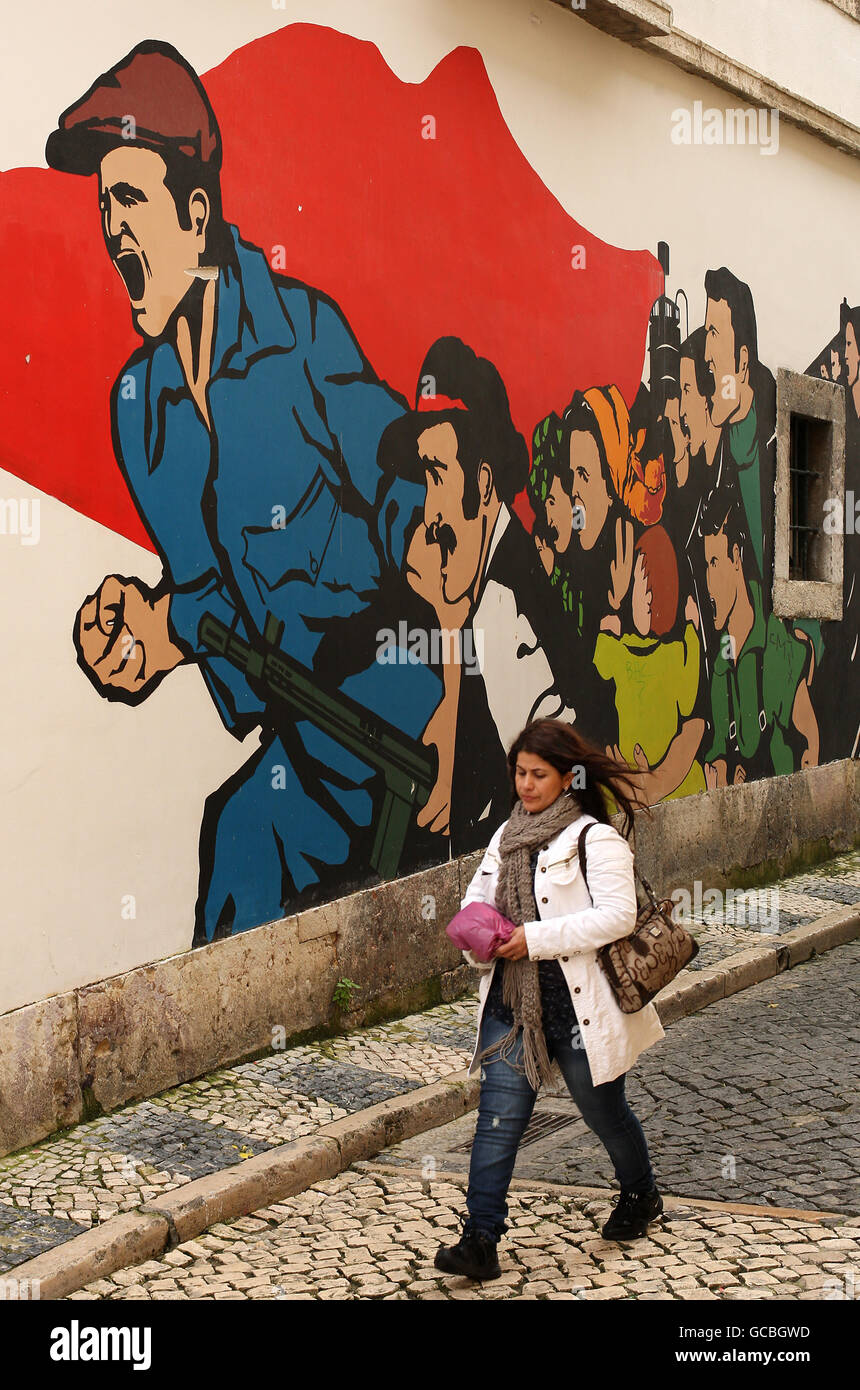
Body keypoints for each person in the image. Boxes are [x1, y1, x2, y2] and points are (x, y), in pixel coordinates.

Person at [46, 40, 441, 942]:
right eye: (104, 203)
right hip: (301, 739)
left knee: (244, 847)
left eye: (131, 198)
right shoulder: (142, 413)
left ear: (195, 214)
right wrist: (149, 636)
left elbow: (401, 486)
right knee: (240, 851)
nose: (112, 227)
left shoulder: (302, 333)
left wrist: (454, 671)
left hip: (397, 714)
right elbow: (212, 603)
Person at [434, 718, 666, 1282]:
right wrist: (481, 940)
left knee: (605, 1115)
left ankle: (641, 1195)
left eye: (540, 774)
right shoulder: (504, 835)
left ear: (568, 777)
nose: (527, 785)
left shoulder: (595, 838)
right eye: (520, 772)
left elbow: (619, 916)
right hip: (514, 1008)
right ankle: (481, 1237)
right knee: (497, 1121)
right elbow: (476, 900)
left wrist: (531, 939)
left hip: (579, 1009)